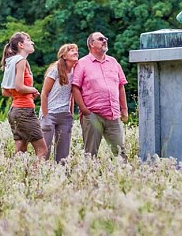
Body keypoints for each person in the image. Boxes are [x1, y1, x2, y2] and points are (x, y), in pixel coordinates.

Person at [72, 32, 129, 160]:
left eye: (105, 38)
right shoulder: (82, 63)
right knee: (90, 154)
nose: (105, 41)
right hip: (93, 115)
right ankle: (87, 178)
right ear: (91, 44)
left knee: (121, 153)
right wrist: (85, 110)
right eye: (101, 39)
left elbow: (121, 86)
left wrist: (124, 109)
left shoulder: (113, 62)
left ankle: (124, 178)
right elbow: (75, 87)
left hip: (113, 115)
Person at [0, 32, 48, 159]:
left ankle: (15, 177)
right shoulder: (21, 61)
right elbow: (19, 87)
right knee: (42, 150)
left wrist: (23, 93)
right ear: (21, 45)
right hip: (24, 111)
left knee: (20, 151)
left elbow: (5, 92)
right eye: (29, 40)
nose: (32, 42)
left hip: (14, 111)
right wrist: (32, 89)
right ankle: (36, 178)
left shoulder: (10, 61)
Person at [39, 43, 79, 163]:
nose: (75, 52)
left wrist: (70, 115)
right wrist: (45, 117)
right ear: (64, 55)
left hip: (64, 116)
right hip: (50, 114)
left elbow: (72, 96)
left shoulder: (75, 72)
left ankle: (61, 178)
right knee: (45, 152)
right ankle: (39, 177)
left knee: (63, 155)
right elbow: (44, 94)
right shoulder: (55, 70)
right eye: (71, 50)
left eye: (76, 50)